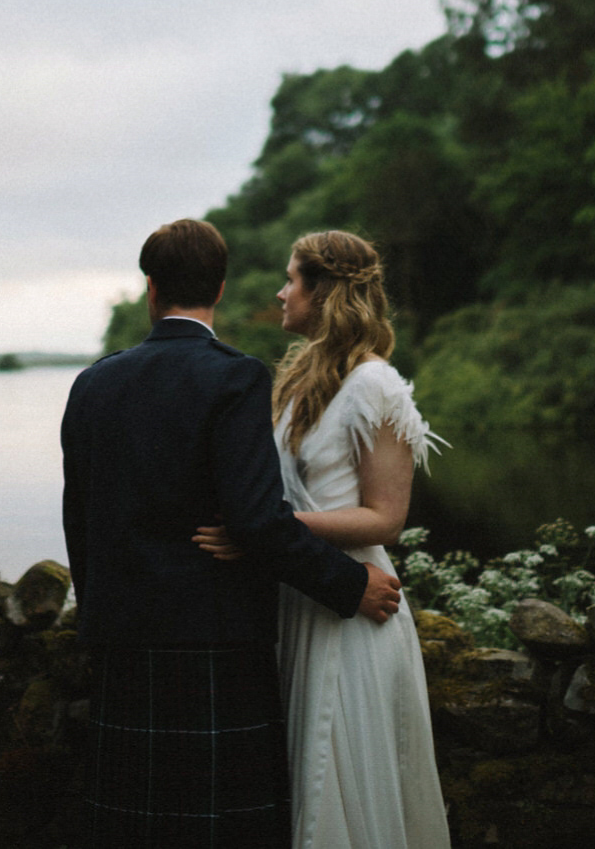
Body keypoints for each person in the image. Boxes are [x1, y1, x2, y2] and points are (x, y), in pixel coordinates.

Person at [60, 218, 404, 849]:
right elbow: (252, 518)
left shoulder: (93, 383)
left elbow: (79, 520)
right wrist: (349, 584)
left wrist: (98, 615)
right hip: (214, 637)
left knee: (130, 825)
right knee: (220, 828)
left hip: (122, 639)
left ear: (150, 288)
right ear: (218, 289)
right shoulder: (236, 376)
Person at [195, 229, 451, 849]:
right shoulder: (303, 379)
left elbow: (386, 518)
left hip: (355, 607)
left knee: (339, 775)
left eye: (292, 279)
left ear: (324, 290)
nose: (281, 293)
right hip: (302, 595)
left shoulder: (374, 384)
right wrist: (263, 531)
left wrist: (263, 530)